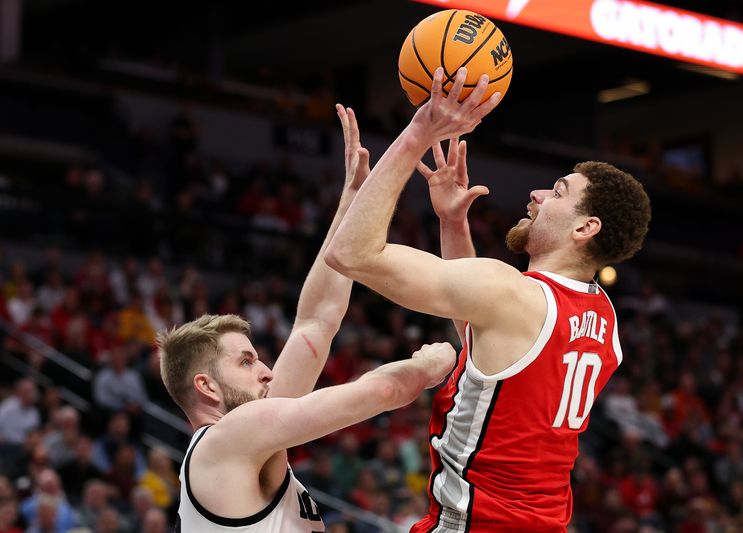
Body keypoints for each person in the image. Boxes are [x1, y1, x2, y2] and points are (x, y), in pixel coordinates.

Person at [325, 67, 651, 531]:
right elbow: (491, 342)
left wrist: (419, 131)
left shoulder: (511, 292)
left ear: (584, 228)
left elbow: (351, 253)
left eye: (557, 192)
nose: (537, 195)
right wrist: (452, 224)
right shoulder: (602, 315)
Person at [156, 104, 457, 533]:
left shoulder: (248, 442)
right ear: (205, 386)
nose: (264, 371)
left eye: (256, 358)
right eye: (244, 362)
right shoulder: (227, 439)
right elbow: (385, 389)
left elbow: (316, 321)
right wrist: (433, 363)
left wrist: (353, 200)